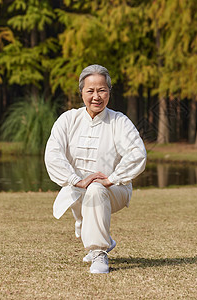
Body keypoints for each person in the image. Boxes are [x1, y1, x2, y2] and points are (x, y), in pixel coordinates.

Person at [44, 64, 147, 274]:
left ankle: (99, 253)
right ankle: (103, 239)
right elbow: (52, 153)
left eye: (102, 90)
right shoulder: (68, 119)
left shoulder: (119, 121)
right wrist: (75, 179)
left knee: (96, 189)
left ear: (109, 92)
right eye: (90, 90)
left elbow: (138, 154)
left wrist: (112, 178)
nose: (96, 96)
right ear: (81, 92)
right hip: (77, 188)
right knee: (85, 191)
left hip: (115, 189)